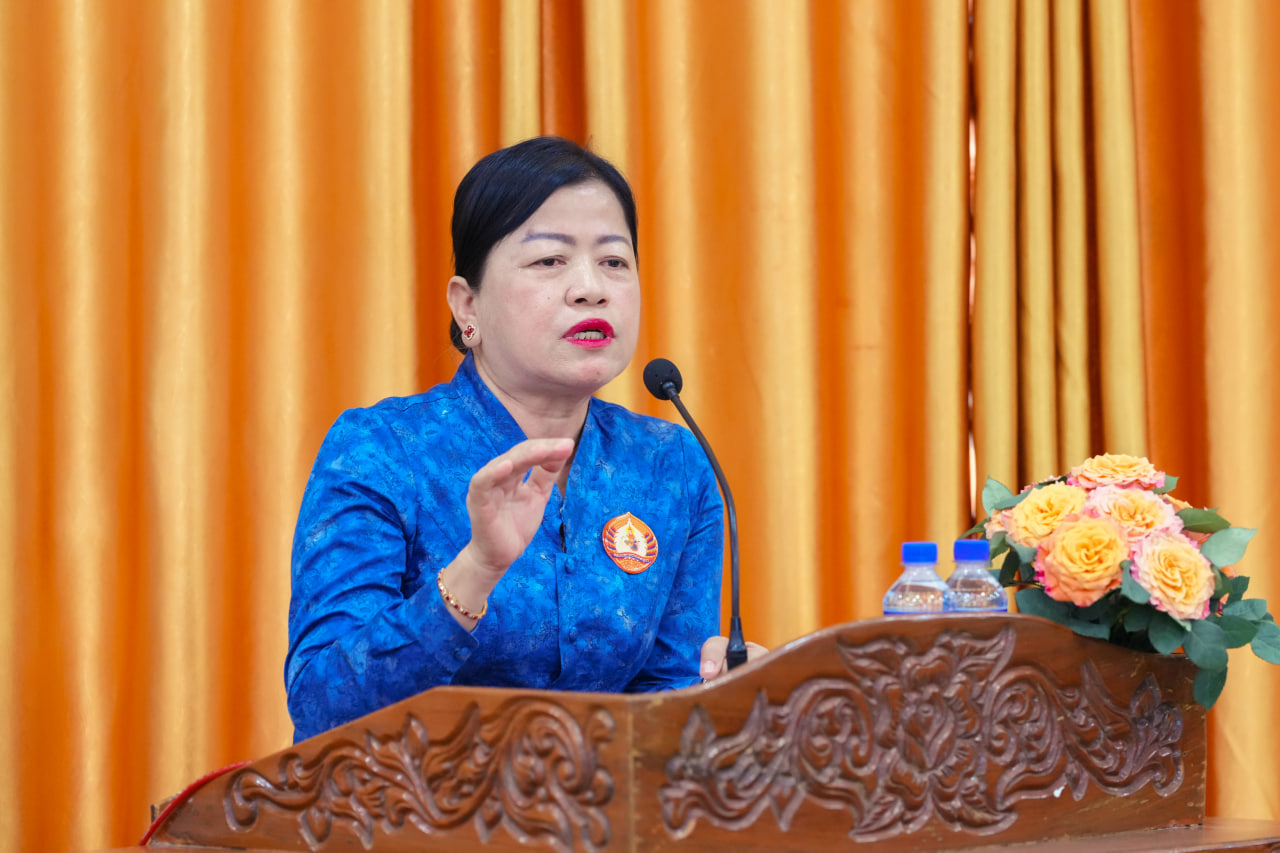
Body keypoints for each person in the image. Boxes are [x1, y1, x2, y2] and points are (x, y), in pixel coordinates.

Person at [285, 136, 760, 742]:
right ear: (467, 306)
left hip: (604, 802)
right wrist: (476, 570)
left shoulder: (670, 466)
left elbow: (659, 698)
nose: (591, 288)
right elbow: (321, 708)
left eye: (615, 262)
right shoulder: (382, 450)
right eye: (549, 261)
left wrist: (715, 695)